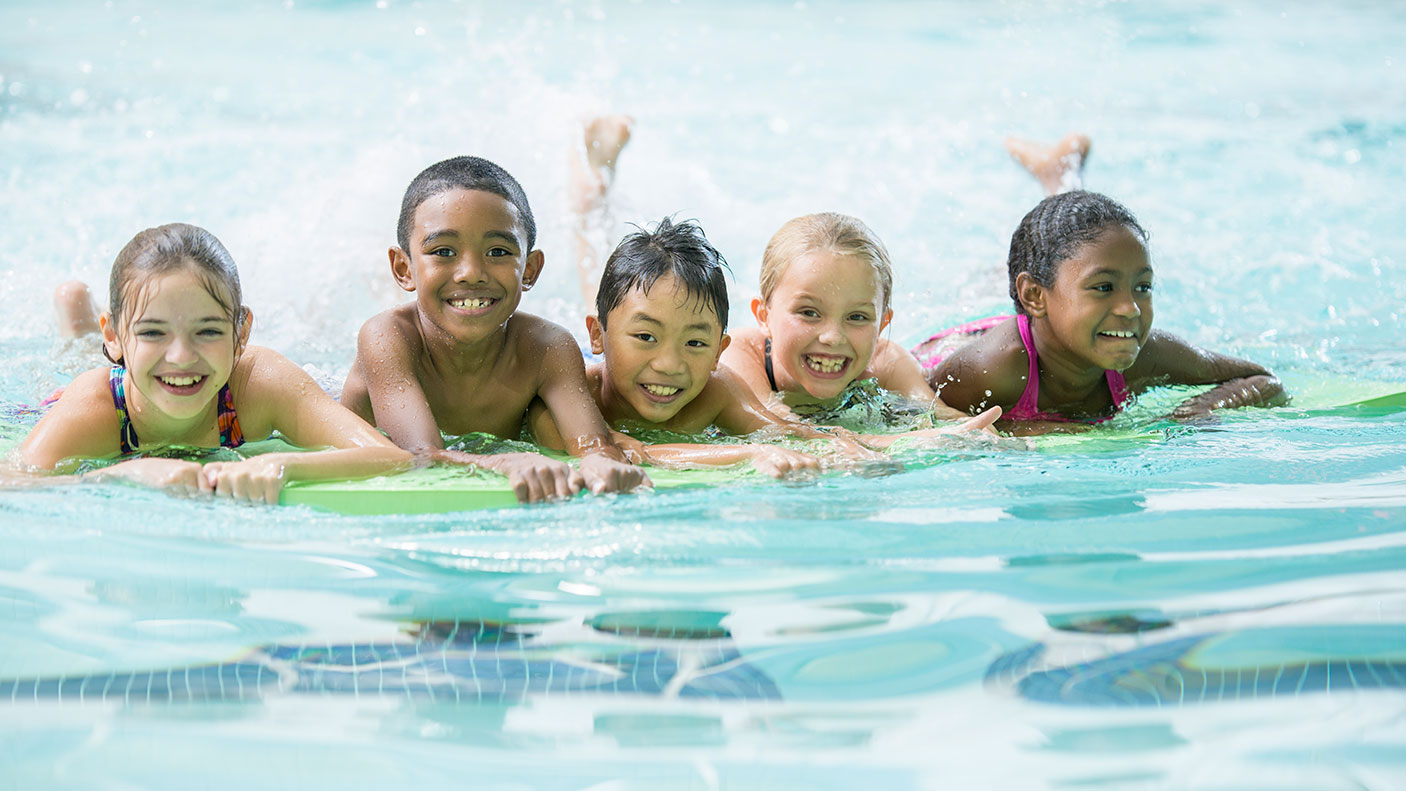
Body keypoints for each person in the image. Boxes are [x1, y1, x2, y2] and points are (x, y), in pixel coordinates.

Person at [18, 223, 411, 502]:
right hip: (107, 386)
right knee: (79, 361)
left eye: (207, 332)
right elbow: (13, 480)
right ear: (115, 336)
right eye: (153, 332)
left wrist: (283, 464)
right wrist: (122, 473)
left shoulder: (259, 383)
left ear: (241, 333)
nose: (182, 357)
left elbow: (392, 458)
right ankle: (77, 316)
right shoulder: (94, 409)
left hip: (140, 367)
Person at [339, 155, 649, 503]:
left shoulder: (548, 347)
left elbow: (592, 446)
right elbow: (418, 457)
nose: (471, 272)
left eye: (498, 251)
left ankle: (592, 192)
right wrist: (502, 462)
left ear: (529, 269)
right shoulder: (386, 338)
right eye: (443, 251)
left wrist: (602, 463)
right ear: (404, 268)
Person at [925, 189, 1285, 433]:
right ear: (1034, 295)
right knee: (986, 285)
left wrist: (1195, 412)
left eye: (1142, 287)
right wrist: (1014, 430)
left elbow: (1264, 380)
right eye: (1104, 288)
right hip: (964, 336)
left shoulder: (1150, 356)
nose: (1130, 310)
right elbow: (903, 416)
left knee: (1063, 250)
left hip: (1054, 314)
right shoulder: (987, 369)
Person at [530, 216, 828, 477]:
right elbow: (623, 454)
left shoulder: (717, 391)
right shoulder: (566, 395)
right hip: (591, 354)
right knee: (594, 270)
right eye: (646, 337)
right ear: (598, 336)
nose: (669, 364)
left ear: (717, 353)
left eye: (695, 342)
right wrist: (750, 454)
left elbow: (795, 437)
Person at [718, 212, 989, 430]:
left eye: (857, 317)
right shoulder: (739, 354)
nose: (833, 337)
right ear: (763, 316)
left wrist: (979, 432)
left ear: (882, 324)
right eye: (809, 313)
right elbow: (775, 429)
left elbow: (940, 419)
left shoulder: (886, 363)